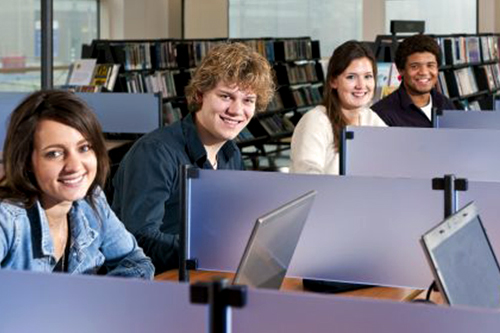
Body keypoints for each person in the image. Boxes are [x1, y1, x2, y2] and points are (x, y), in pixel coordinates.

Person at [112, 42, 275, 272]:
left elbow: (230, 225)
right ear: (200, 94)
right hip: (160, 283)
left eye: (248, 100)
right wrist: (212, 252)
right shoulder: (155, 153)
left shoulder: (231, 154)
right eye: (226, 96)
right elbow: (139, 238)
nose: (237, 111)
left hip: (208, 274)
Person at [0, 90, 154, 278]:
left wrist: (94, 299)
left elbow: (136, 262)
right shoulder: (7, 220)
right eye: (54, 153)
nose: (74, 166)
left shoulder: (92, 201)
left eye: (84, 148)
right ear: (26, 162)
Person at [290, 40, 387, 175]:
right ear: (333, 81)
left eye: (367, 76)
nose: (361, 85)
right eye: (351, 77)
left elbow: (391, 162)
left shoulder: (370, 118)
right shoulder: (316, 121)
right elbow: (308, 178)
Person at [371, 34, 455, 127]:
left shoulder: (446, 104)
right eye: (414, 66)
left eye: (430, 65)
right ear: (401, 70)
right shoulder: (381, 114)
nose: (423, 72)